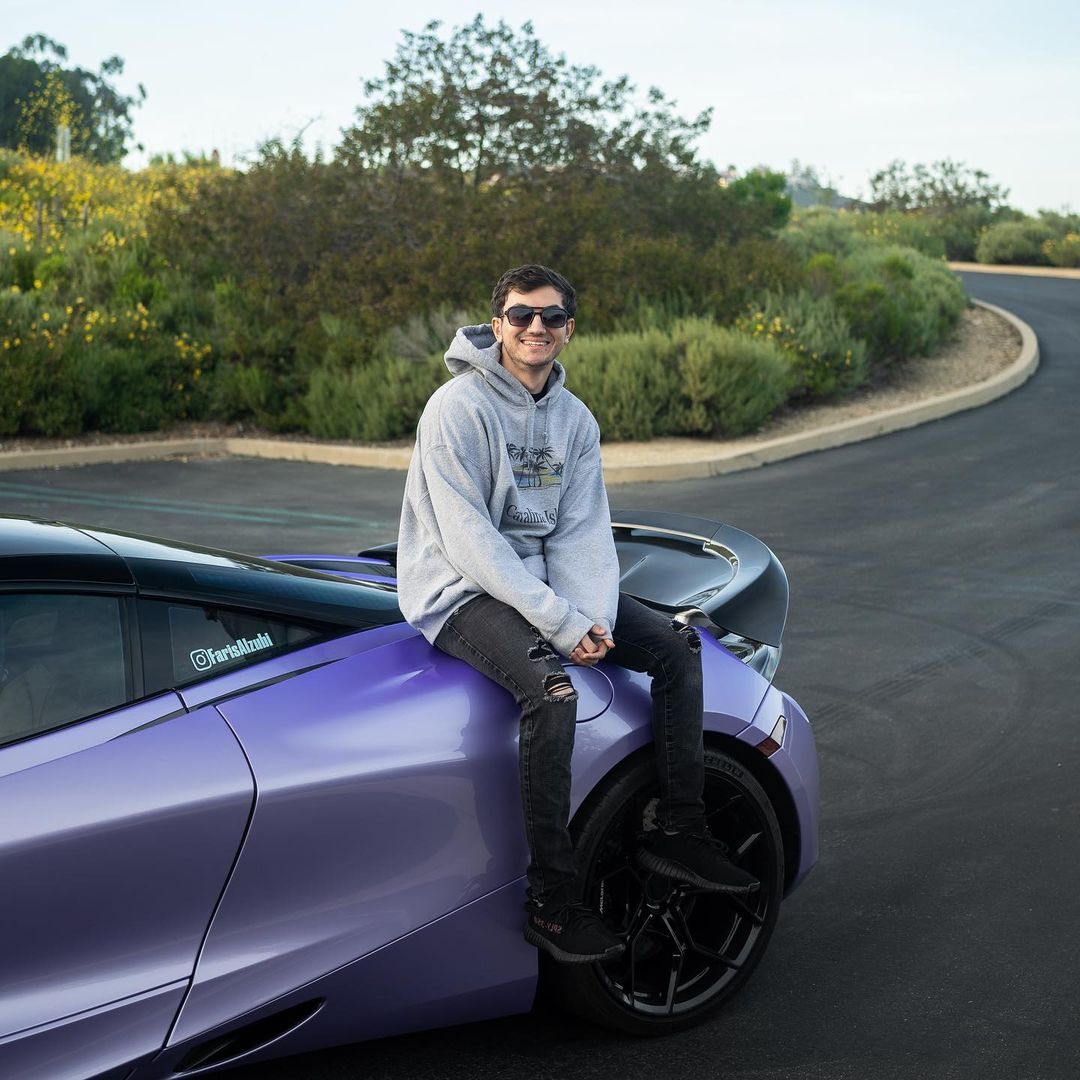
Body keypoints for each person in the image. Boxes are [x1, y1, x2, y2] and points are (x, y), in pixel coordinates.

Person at [397, 264, 758, 965]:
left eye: (552, 317)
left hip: (546, 583)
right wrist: (560, 624)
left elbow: (582, 530)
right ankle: (553, 902)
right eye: (522, 315)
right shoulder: (456, 407)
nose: (537, 328)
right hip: (461, 589)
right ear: (497, 322)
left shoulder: (575, 419)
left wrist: (590, 614)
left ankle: (680, 830)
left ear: (570, 328)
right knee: (553, 695)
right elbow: (468, 537)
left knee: (678, 648)